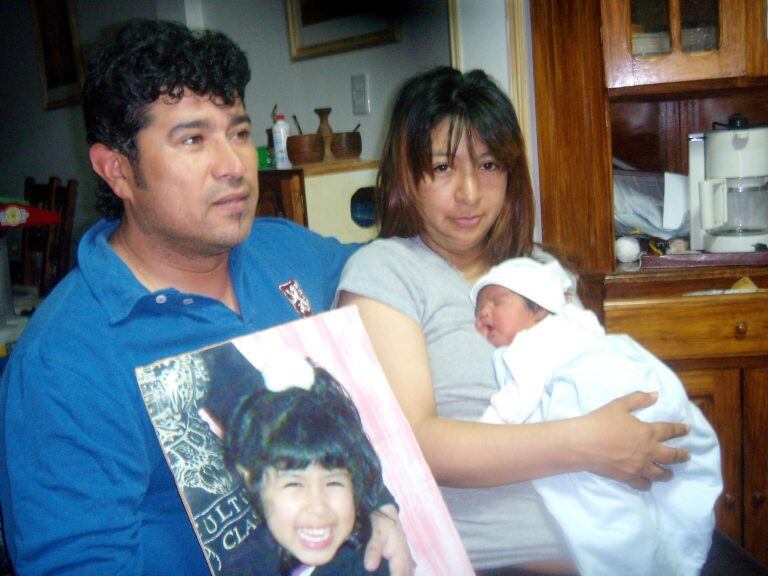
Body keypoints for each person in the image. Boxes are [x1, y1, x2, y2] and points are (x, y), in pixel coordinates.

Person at [0, 19, 411, 576]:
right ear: (117, 170)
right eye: (193, 140)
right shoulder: (65, 361)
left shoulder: (287, 251)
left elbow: (398, 272)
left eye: (238, 133)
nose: (235, 165)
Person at [336, 66, 693, 574]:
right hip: (496, 558)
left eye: (488, 165)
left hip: (612, 532)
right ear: (406, 175)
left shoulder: (539, 270)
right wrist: (588, 444)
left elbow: (592, 377)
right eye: (442, 167)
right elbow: (414, 444)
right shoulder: (384, 272)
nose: (469, 192)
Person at [471, 256, 722, 575]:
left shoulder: (534, 343)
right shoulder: (575, 325)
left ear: (539, 309)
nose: (484, 312)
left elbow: (516, 400)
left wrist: (484, 432)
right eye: (478, 309)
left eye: (497, 302)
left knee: (600, 507)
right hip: (632, 407)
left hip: (607, 393)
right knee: (659, 491)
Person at [223, 358, 390, 576]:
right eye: (294, 484)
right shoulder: (244, 564)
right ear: (251, 478)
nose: (318, 506)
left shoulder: (368, 562)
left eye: (333, 483)